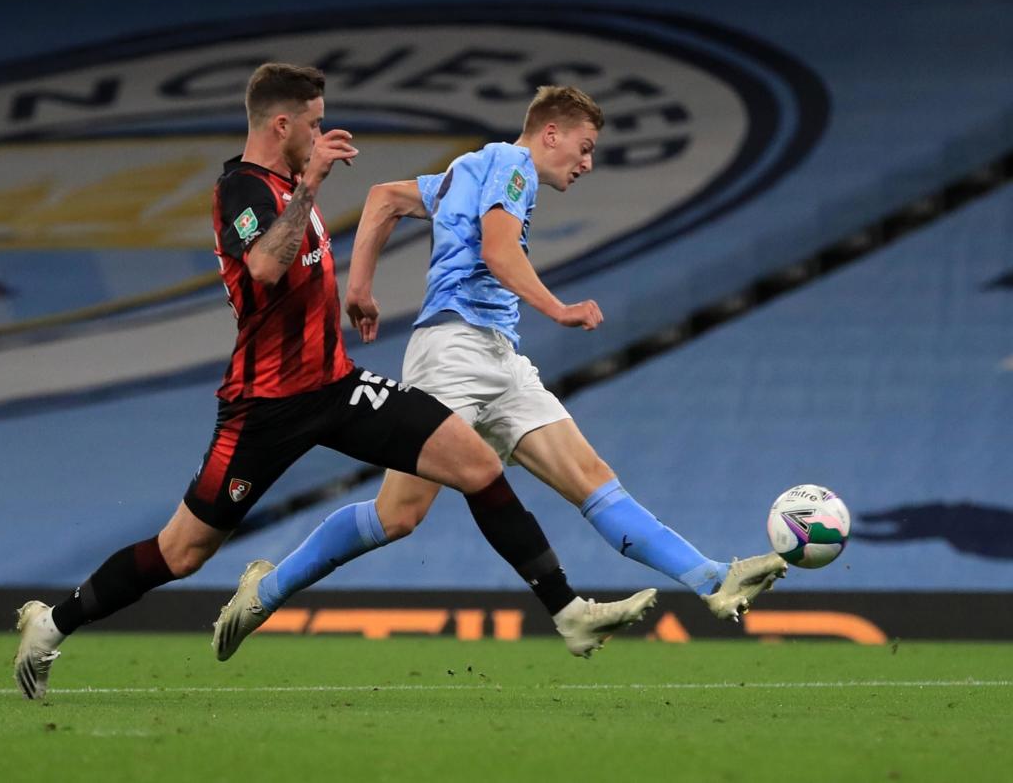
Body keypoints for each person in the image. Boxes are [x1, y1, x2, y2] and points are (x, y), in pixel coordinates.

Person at [13, 64, 658, 700]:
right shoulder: (242, 187)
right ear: (282, 122)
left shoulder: (291, 184)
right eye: (314, 124)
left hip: (336, 386)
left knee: (475, 462)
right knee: (181, 553)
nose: (323, 135)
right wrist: (312, 184)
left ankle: (567, 611)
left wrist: (357, 293)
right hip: (264, 406)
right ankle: (51, 625)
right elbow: (265, 267)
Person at [212, 85, 787, 663]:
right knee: (399, 514)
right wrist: (559, 308)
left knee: (591, 476)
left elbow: (385, 197)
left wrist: (360, 288)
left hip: (498, 356)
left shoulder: (475, 166)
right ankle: (264, 592)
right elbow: (498, 251)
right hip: (453, 353)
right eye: (583, 148)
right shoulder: (513, 167)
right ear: (551, 134)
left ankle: (713, 579)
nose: (586, 163)